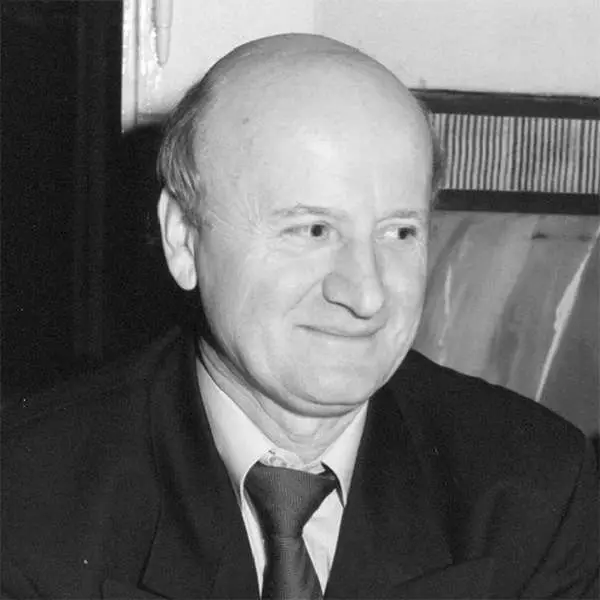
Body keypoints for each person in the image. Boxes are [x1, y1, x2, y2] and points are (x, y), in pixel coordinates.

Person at [2, 34, 597, 600]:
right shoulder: (29, 496)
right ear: (183, 239)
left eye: (399, 232)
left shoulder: (533, 486)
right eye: (313, 230)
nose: (366, 294)